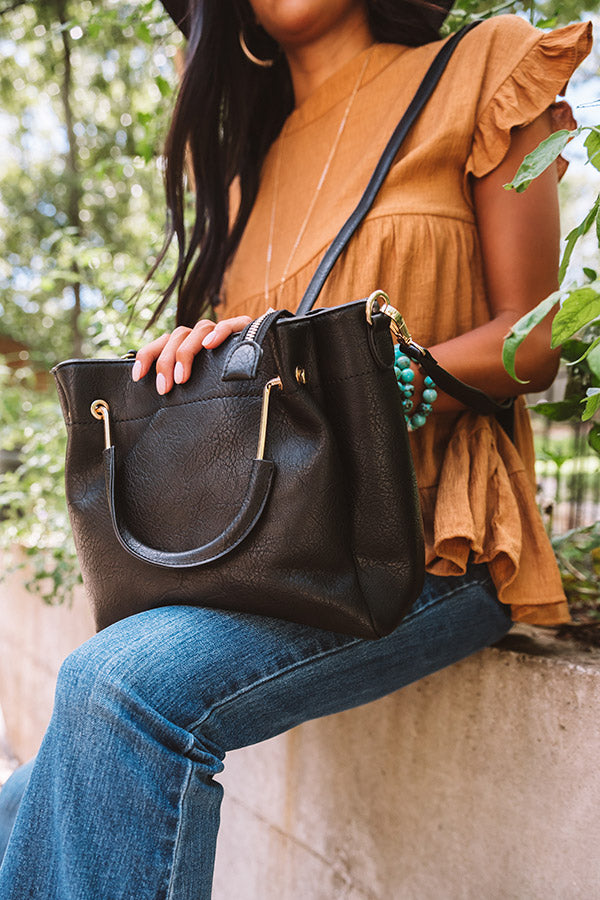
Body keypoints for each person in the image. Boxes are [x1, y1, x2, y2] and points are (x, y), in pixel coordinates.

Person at [0, 1, 592, 897]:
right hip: (281, 550)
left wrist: (383, 374)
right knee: (34, 796)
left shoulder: (481, 64)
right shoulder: (251, 174)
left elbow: (537, 334)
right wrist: (194, 358)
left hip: (438, 541)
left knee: (117, 687)